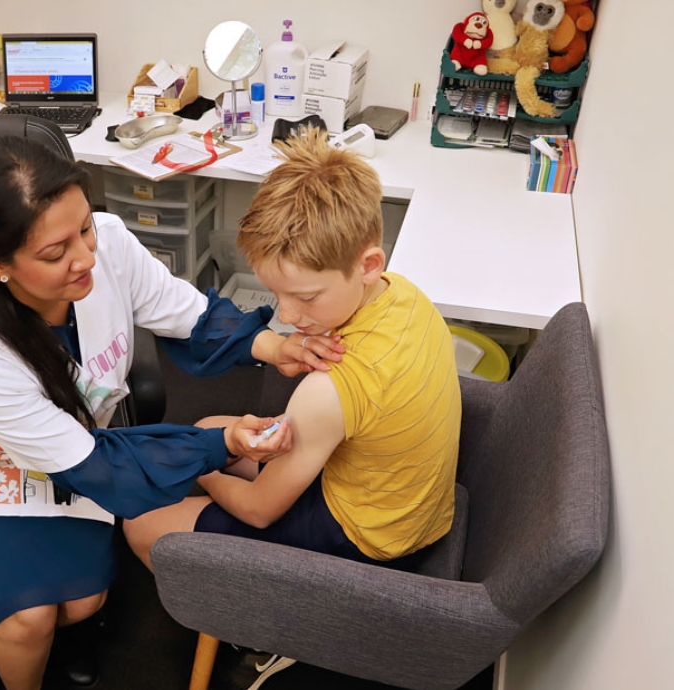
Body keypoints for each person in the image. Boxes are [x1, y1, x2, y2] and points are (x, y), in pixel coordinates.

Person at [0, 134, 343, 690]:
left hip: (76, 443)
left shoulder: (108, 243)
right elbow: (93, 466)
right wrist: (223, 444)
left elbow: (187, 313)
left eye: (83, 227)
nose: (86, 257)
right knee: (28, 619)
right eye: (54, 252)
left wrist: (275, 347)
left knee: (83, 604)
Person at [124, 127, 462, 580]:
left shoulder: (328, 391)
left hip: (367, 540)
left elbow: (259, 512)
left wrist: (202, 467)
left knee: (142, 524)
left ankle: (252, 620)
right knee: (206, 428)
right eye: (276, 293)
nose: (286, 315)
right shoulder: (403, 293)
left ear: (367, 265)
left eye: (306, 297)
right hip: (407, 509)